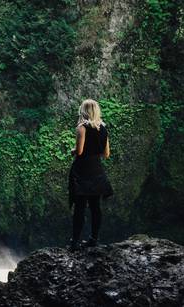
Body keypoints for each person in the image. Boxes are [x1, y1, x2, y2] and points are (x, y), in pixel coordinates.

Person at [68, 99, 113, 251]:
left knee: (80, 207)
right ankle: (94, 239)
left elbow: (79, 152)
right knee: (95, 207)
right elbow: (106, 154)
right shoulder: (104, 128)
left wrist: (73, 151)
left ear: (84, 111)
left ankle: (75, 242)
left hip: (82, 171)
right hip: (97, 171)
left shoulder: (82, 128)